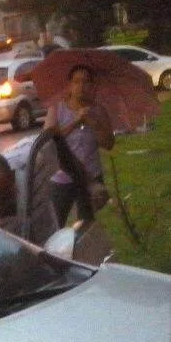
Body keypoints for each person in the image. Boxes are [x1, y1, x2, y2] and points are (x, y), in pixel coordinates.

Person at [43, 64, 114, 227]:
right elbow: (47, 140)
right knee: (54, 223)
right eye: (76, 82)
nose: (81, 87)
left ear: (91, 85)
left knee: (86, 225)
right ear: (70, 85)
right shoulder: (57, 108)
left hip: (90, 176)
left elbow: (109, 144)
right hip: (62, 177)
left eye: (86, 82)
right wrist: (76, 121)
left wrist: (93, 124)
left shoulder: (98, 110)